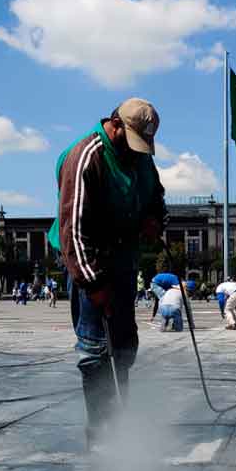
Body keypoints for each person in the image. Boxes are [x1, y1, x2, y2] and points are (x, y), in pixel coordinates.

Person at [52, 98, 166, 449]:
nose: (136, 151)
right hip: (90, 259)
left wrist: (155, 219)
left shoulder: (140, 157)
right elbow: (73, 231)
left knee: (124, 344)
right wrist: (94, 284)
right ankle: (101, 432)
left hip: (123, 257)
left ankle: (121, 421)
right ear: (115, 125)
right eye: (131, 141)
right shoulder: (86, 157)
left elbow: (156, 194)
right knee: (94, 349)